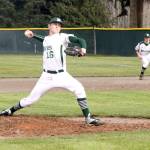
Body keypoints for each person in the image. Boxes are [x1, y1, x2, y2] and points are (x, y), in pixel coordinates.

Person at [0, 17, 103, 126]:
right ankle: (10, 110)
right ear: (49, 26)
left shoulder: (64, 37)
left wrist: (83, 49)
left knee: (79, 89)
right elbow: (44, 40)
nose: (57, 26)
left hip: (62, 75)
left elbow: (80, 40)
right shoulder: (46, 40)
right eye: (55, 24)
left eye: (59, 25)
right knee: (30, 100)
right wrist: (33, 35)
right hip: (46, 76)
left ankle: (88, 118)